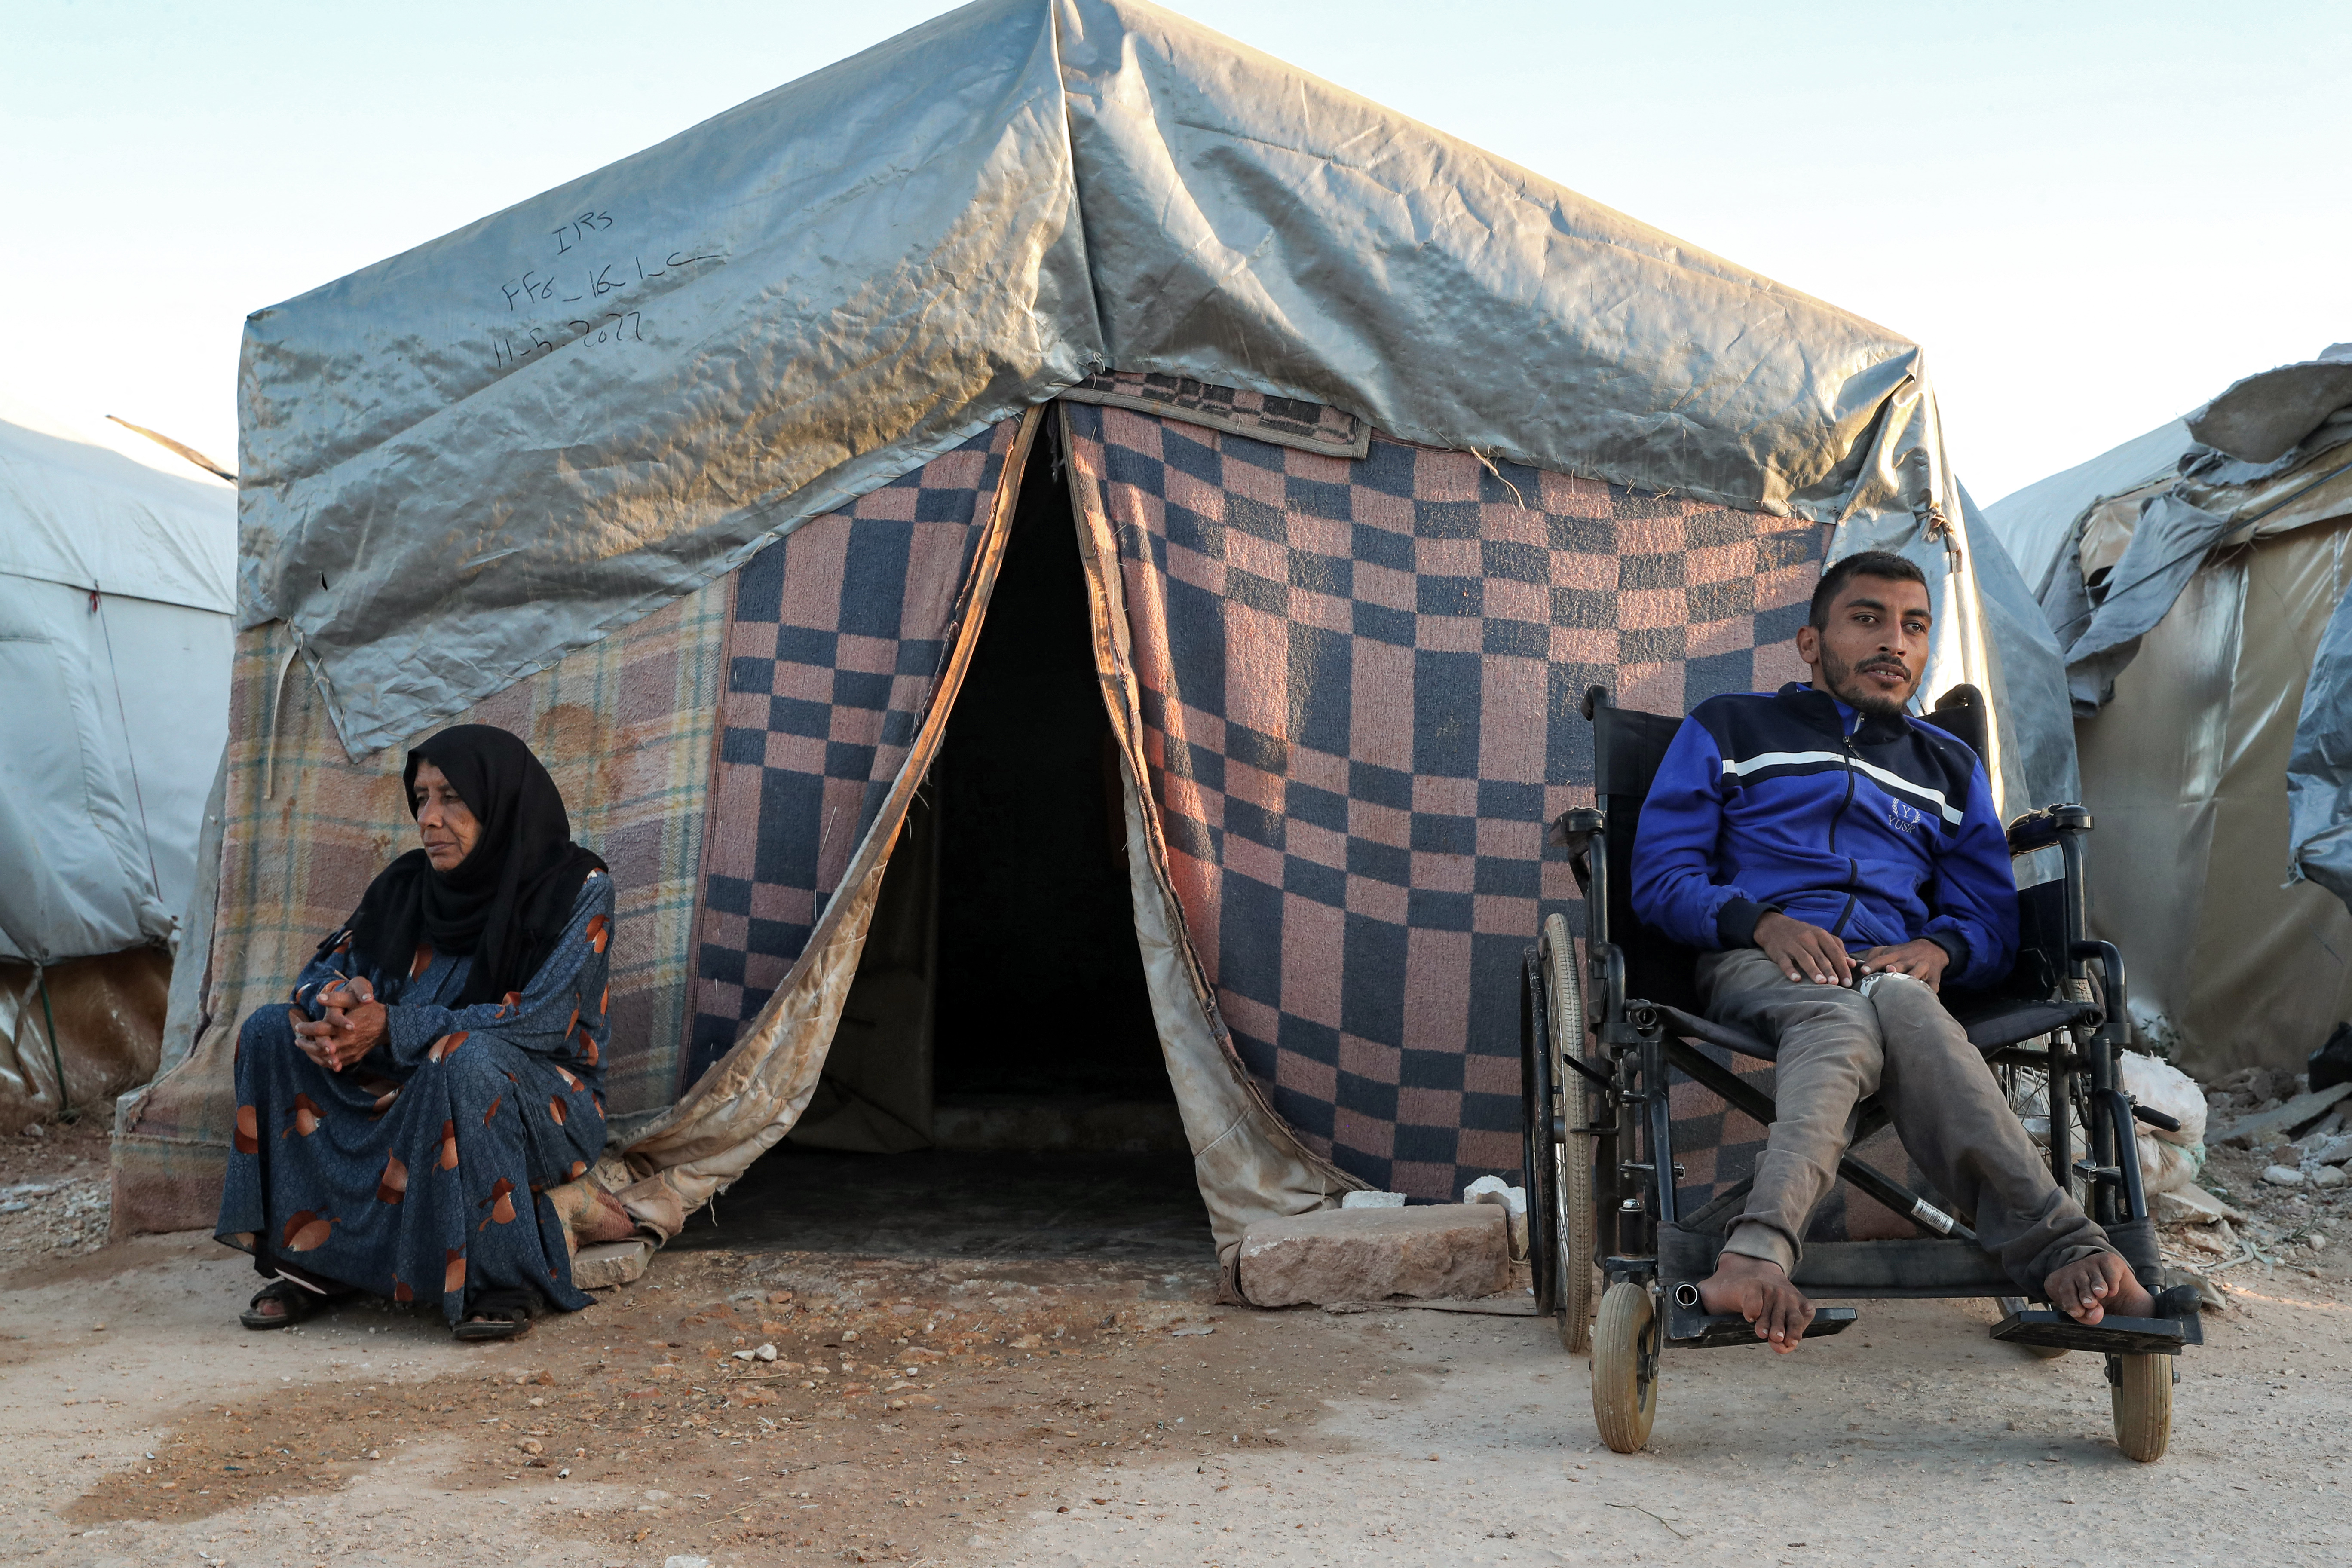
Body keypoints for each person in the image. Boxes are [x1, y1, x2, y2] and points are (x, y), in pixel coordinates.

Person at [1629, 550, 2154, 1352]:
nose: (1894, 643)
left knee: (1901, 1001)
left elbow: (1987, 916)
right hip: (1760, 961)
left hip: (1889, 968)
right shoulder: (1729, 727)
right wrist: (1760, 922)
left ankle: (2068, 1251)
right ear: (1811, 642)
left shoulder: (1948, 767)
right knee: (1841, 1021)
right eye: (1867, 619)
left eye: (1914, 626)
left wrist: (1940, 950)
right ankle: (1757, 1255)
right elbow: (1661, 876)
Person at [217, 725, 636, 1340]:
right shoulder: (407, 885)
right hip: (410, 1077)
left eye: (452, 797)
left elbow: (541, 1020)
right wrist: (335, 1007)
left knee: (461, 1060)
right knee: (268, 1032)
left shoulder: (577, 888)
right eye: (421, 798)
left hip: (540, 1098)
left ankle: (501, 1278)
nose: (430, 818)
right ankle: (317, 1265)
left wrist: (393, 1025)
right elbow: (322, 971)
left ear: (500, 800)